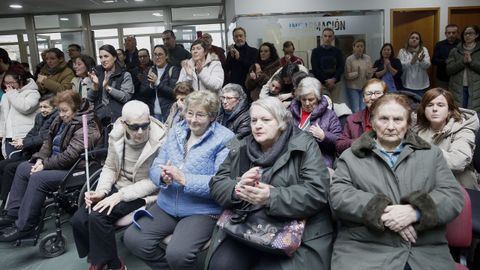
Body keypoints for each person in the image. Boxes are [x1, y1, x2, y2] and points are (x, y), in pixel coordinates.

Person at [330, 93, 464, 270]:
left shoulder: (431, 154)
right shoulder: (351, 157)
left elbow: (452, 196)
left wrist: (415, 213)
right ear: (372, 121)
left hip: (422, 249)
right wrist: (385, 213)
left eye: (398, 120)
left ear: (408, 123)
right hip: (365, 249)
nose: (391, 126)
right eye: (384, 119)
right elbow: (339, 197)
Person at [207, 96, 333, 270]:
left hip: (292, 231)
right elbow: (217, 183)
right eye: (254, 120)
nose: (258, 125)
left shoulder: (304, 144)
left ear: (281, 122)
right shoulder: (240, 144)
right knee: (221, 266)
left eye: (266, 120)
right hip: (246, 224)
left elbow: (317, 192)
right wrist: (236, 188)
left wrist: (271, 197)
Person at [123, 90, 235, 270]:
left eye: (200, 115)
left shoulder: (226, 138)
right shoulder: (176, 131)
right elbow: (157, 164)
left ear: (212, 116)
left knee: (178, 254)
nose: (193, 120)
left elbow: (222, 183)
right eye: (190, 113)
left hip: (202, 210)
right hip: (166, 204)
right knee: (134, 239)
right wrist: (161, 176)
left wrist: (184, 179)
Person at [71, 100, 167, 270]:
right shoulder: (116, 134)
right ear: (123, 123)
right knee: (79, 219)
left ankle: (115, 266)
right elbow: (109, 167)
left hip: (143, 192)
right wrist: (101, 191)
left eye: (145, 125)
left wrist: (120, 196)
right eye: (135, 127)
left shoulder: (160, 140)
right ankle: (98, 259)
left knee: (98, 216)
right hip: (119, 185)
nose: (141, 131)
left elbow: (155, 181)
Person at [0, 90, 101, 242]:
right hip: (55, 164)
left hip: (76, 169)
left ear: (76, 108)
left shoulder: (88, 125)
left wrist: (44, 165)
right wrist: (40, 159)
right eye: (59, 110)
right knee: (22, 168)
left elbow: (70, 156)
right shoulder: (60, 120)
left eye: (65, 110)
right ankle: (13, 214)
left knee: (39, 178)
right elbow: (48, 141)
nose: (61, 114)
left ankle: (25, 227)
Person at [415, 88, 479, 189]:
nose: (434, 109)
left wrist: (423, 150)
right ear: (424, 110)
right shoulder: (417, 129)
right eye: (430, 105)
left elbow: (457, 162)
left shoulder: (463, 130)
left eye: (440, 105)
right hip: (425, 188)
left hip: (459, 189)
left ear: (449, 111)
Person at [0, 94, 57, 209]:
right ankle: (2, 197)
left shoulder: (57, 118)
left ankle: (7, 203)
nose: (42, 110)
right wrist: (22, 141)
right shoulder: (39, 117)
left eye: (45, 107)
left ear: (54, 106)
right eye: (40, 107)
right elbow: (32, 133)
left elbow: (45, 137)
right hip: (32, 152)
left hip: (43, 155)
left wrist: (25, 143)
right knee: (2, 164)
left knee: (10, 169)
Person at [289, 77, 342, 168]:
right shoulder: (290, 112)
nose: (307, 103)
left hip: (319, 160)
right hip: (292, 158)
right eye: (303, 99)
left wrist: (324, 136)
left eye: (311, 99)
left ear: (318, 98)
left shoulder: (329, 115)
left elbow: (339, 143)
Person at [336, 78, 388, 154]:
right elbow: (339, 145)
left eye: (377, 93)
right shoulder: (352, 119)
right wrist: (359, 142)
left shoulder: (397, 118)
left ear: (386, 96)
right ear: (363, 99)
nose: (373, 97)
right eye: (368, 94)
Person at [0, 67, 41, 158]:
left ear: (21, 80)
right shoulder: (7, 95)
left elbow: (25, 108)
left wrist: (12, 94)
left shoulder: (33, 93)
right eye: (5, 83)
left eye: (11, 83)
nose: (8, 86)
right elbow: (3, 116)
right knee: (9, 161)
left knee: (19, 164)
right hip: (8, 136)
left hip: (25, 136)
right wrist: (1, 132)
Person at [87, 44, 134, 123]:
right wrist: (95, 86)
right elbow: (90, 99)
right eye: (101, 57)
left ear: (114, 57)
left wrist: (108, 88)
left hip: (118, 119)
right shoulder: (96, 73)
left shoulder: (124, 75)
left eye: (106, 56)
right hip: (99, 118)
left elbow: (126, 97)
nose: (103, 60)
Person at [140, 45, 180, 121]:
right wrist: (151, 86)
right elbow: (142, 92)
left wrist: (158, 83)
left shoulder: (173, 70)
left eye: (160, 54)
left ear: (166, 56)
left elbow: (174, 92)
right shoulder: (149, 70)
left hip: (168, 113)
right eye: (155, 54)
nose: (157, 57)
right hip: (152, 114)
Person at [446, 25, 480, 111]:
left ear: (476, 35)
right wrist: (462, 62)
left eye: (471, 33)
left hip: (476, 89)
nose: (468, 36)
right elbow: (449, 70)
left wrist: (471, 62)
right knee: (459, 114)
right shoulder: (455, 51)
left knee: (474, 115)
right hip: (458, 88)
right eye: (465, 34)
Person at [311, 27, 344, 100]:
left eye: (329, 36)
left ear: (333, 38)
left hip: (335, 84)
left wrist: (333, 79)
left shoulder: (338, 51)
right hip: (321, 84)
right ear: (322, 37)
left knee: (335, 105)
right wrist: (326, 80)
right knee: (324, 104)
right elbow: (315, 69)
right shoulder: (316, 52)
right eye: (325, 36)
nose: (327, 38)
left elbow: (341, 67)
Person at [345, 39, 375, 113]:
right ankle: (355, 124)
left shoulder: (368, 58)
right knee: (356, 109)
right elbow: (347, 75)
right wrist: (356, 73)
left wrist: (370, 72)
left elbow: (369, 75)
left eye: (361, 46)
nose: (360, 48)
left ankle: (362, 124)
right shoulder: (349, 59)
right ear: (353, 47)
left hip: (364, 87)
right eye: (357, 46)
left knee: (363, 108)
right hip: (353, 87)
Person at [398, 32, 431, 96]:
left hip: (421, 84)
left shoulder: (424, 50)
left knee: (420, 104)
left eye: (417, 38)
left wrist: (421, 61)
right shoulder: (402, 51)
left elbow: (427, 66)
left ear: (419, 41)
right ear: (408, 39)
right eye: (412, 37)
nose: (414, 39)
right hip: (407, 83)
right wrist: (411, 62)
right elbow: (400, 67)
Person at [432, 24, 460, 89]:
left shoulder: (462, 44)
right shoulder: (439, 45)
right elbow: (434, 61)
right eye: (449, 33)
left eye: (453, 33)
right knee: (441, 97)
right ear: (445, 34)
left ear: (457, 33)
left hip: (457, 78)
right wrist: (445, 61)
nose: (451, 35)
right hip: (442, 79)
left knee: (456, 98)